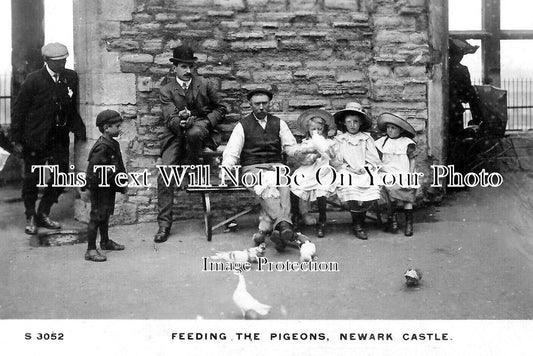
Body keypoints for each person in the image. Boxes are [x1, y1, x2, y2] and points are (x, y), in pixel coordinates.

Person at [11, 42, 86, 235]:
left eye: (64, 60)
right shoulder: (33, 80)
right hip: (34, 138)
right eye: (57, 62)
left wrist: (79, 128)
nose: (62, 64)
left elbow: (72, 106)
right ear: (46, 61)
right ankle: (30, 216)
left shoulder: (71, 77)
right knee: (31, 180)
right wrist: (17, 141)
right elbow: (19, 111)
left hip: (58, 138)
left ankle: (43, 212)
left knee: (61, 176)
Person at [154, 45, 226, 243]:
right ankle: (164, 224)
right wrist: (181, 123)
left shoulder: (204, 84)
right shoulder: (167, 90)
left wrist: (206, 122)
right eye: (183, 67)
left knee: (194, 133)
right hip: (176, 134)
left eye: (190, 67)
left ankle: (192, 165)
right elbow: (169, 117)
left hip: (201, 130)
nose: (187, 71)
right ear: (174, 68)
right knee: (165, 174)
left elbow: (221, 108)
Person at [222, 88, 302, 252]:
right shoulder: (242, 126)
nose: (261, 107)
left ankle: (279, 230)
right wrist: (226, 168)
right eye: (257, 104)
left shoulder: (279, 123)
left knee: (284, 182)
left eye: (264, 103)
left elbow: (290, 147)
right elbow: (232, 152)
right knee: (264, 186)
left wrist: (302, 151)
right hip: (252, 169)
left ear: (269, 104)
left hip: (275, 166)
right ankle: (285, 225)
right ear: (250, 105)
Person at [330, 102, 381, 240]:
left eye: (356, 122)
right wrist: (350, 169)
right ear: (344, 123)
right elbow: (337, 161)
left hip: (364, 169)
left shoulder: (366, 138)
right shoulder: (339, 139)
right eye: (349, 122)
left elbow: (373, 158)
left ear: (361, 123)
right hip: (346, 170)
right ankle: (357, 224)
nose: (352, 125)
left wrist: (365, 168)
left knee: (369, 185)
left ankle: (361, 220)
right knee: (349, 185)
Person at [83, 110, 127, 262]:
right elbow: (92, 170)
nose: (120, 129)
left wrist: (122, 182)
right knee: (96, 217)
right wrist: (88, 189)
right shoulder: (101, 147)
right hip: (99, 189)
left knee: (105, 214)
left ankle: (105, 241)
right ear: (107, 128)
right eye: (117, 126)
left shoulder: (112, 143)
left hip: (108, 187)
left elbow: (117, 166)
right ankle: (90, 249)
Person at [289, 109, 336, 238]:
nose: (316, 132)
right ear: (308, 130)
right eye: (313, 129)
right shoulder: (305, 144)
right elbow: (303, 161)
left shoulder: (329, 142)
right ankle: (296, 216)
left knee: (321, 191)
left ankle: (322, 220)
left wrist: (326, 150)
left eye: (319, 129)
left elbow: (334, 158)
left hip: (323, 172)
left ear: (324, 129)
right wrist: (313, 155)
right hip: (308, 170)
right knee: (295, 186)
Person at [375, 113, 417, 236]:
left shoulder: (407, 143)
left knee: (408, 197)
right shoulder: (382, 142)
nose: (390, 130)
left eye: (393, 128)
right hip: (388, 173)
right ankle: (392, 221)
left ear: (401, 129)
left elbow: (412, 159)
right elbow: (378, 159)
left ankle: (409, 224)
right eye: (388, 127)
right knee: (390, 196)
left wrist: (410, 174)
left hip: (404, 172)